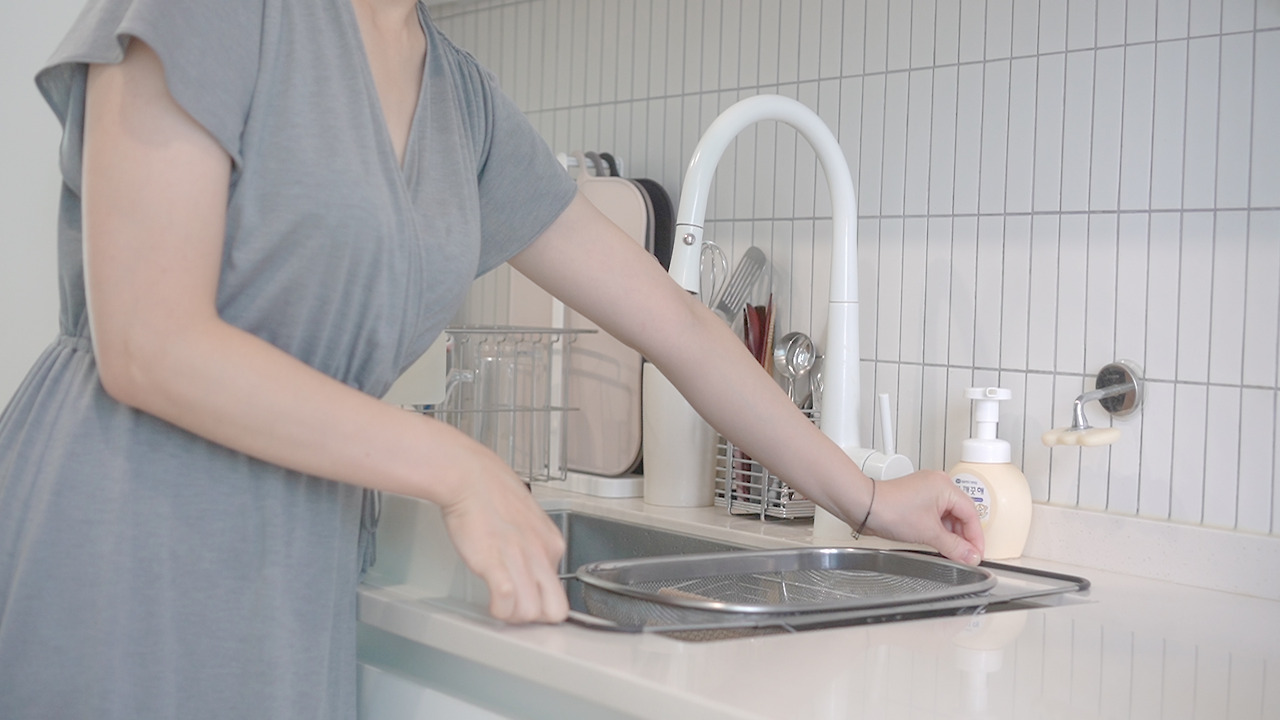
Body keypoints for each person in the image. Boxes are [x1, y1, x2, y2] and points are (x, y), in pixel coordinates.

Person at [0, 0, 984, 716]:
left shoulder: (459, 103)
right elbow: (150, 343)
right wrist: (456, 466)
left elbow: (679, 327)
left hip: (292, 560)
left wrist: (867, 499)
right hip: (125, 529)